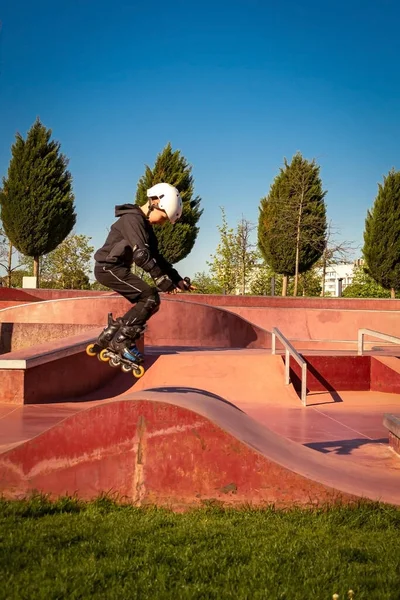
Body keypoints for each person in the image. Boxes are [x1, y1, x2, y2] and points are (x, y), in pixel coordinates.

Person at [93, 182, 194, 364]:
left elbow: (155, 256)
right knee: (150, 298)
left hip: (115, 269)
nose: (162, 223)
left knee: (150, 299)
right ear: (154, 202)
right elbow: (141, 255)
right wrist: (160, 279)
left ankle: (113, 333)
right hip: (108, 268)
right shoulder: (132, 220)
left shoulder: (143, 225)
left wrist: (176, 279)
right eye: (163, 218)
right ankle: (122, 340)